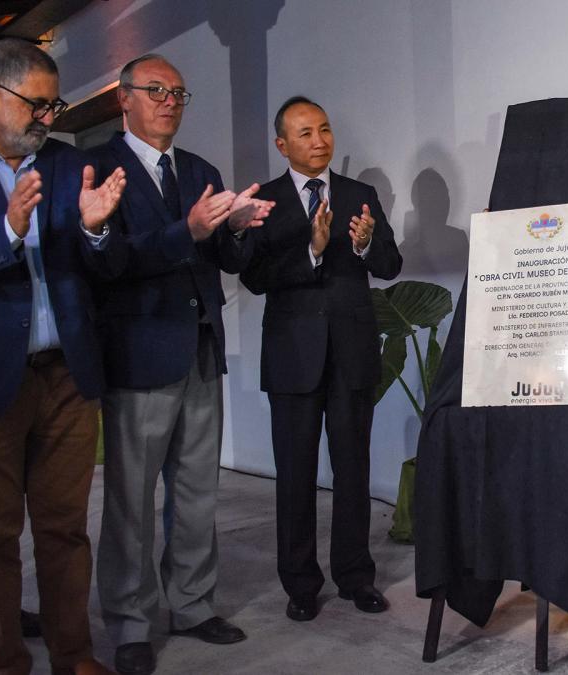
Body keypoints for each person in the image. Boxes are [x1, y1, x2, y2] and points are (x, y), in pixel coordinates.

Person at [0, 38, 126, 674]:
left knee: (66, 529)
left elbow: (101, 265)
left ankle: (75, 656)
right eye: (36, 105)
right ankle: (3, 662)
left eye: (53, 105)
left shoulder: (69, 166)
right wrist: (7, 232)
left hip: (65, 376)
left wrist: (95, 230)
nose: (48, 118)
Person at [91, 54, 272, 675]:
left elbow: (224, 256)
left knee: (196, 493)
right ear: (125, 98)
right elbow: (108, 262)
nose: (169, 101)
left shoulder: (199, 169)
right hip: (139, 354)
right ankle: (130, 623)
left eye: (178, 92)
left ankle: (192, 605)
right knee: (132, 502)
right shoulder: (98, 168)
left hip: (200, 347)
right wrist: (188, 232)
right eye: (156, 90)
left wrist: (240, 227)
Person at [239, 96, 401, 621]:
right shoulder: (264, 201)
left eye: (325, 129)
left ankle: (356, 576)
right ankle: (301, 584)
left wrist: (365, 243)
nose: (319, 141)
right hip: (292, 357)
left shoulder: (360, 195)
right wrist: (309, 250)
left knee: (353, 469)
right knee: (295, 473)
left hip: (351, 354)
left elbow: (391, 265)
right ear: (282, 144)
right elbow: (255, 278)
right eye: (305, 133)